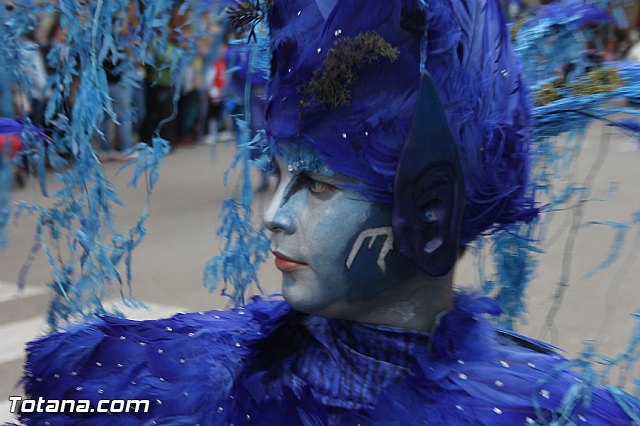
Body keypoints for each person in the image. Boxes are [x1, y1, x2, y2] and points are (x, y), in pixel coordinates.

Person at [20, 1, 640, 425]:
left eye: (316, 185)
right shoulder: (191, 369)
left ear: (428, 210)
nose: (273, 214)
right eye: (281, 172)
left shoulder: (545, 408)